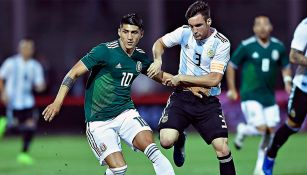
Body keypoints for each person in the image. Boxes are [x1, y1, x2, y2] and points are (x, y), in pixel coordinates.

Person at [42, 13, 175, 175]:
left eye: (134, 32)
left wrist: (190, 83)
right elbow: (73, 73)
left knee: (154, 152)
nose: (129, 37)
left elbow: (163, 78)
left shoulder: (140, 57)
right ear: (119, 31)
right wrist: (58, 102)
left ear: (141, 34)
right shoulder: (104, 51)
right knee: (119, 169)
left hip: (126, 114)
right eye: (125, 31)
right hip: (99, 121)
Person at [147, 1, 236, 174]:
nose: (194, 30)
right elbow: (159, 43)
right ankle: (179, 138)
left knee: (222, 148)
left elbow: (214, 79)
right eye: (191, 25)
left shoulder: (221, 43)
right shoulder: (184, 32)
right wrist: (158, 60)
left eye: (198, 25)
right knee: (166, 141)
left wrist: (181, 78)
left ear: (209, 22)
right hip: (182, 97)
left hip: (207, 101)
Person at [226, 16, 292, 175]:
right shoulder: (246, 46)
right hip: (250, 95)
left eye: (265, 24)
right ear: (254, 28)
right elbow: (231, 65)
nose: (262, 27)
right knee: (265, 130)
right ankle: (245, 132)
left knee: (271, 132)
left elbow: (286, 66)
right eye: (258, 25)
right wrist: (232, 89)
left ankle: (259, 166)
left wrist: (288, 82)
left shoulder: (278, 47)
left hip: (269, 96)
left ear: (271, 27)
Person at [262, 17, 307, 175]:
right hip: (304, 87)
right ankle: (271, 153)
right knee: (292, 125)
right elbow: (294, 56)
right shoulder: (305, 26)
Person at [0, 39, 46, 165]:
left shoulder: (35, 65)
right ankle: (4, 124)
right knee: (13, 127)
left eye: (30, 47)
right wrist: (3, 93)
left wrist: (40, 87)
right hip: (12, 102)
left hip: (27, 102)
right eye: (25, 47)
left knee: (31, 126)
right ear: (20, 49)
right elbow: (1, 78)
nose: (27, 50)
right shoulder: (11, 62)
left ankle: (24, 154)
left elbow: (39, 84)